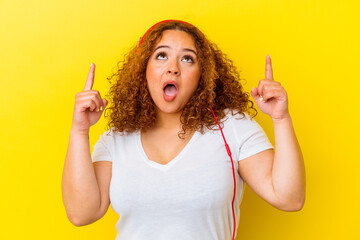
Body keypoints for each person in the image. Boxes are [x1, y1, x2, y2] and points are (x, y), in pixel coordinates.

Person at [62, 20, 305, 240]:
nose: (173, 68)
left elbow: (289, 198)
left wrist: (281, 119)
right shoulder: (117, 138)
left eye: (187, 58)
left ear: (203, 75)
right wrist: (79, 131)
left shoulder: (232, 128)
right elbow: (81, 214)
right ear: (143, 70)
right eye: (161, 56)